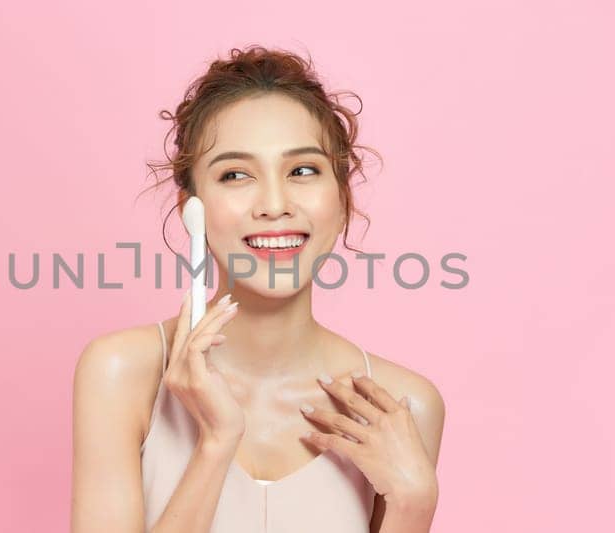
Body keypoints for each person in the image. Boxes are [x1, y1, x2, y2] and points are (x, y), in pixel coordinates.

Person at [72, 45, 445, 533]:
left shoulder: (404, 405)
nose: (274, 203)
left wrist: (413, 508)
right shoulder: (122, 374)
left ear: (342, 198)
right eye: (236, 175)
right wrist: (215, 443)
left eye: (303, 170)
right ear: (192, 208)